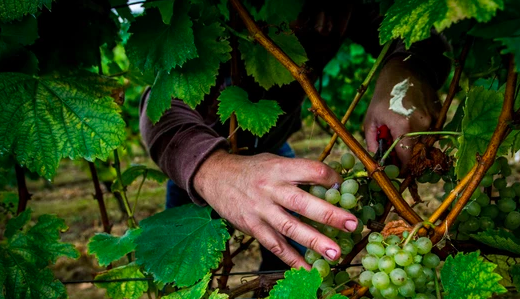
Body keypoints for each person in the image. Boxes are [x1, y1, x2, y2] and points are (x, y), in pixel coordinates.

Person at [139, 0, 450, 272]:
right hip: (198, 162)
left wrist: (406, 73)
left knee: (289, 260)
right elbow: (158, 108)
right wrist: (211, 169)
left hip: (273, 149)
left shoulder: (351, 6)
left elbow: (417, 30)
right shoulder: (214, 14)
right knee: (183, 271)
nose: (321, 23)